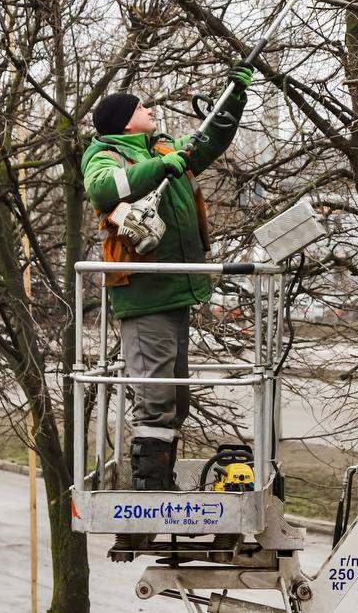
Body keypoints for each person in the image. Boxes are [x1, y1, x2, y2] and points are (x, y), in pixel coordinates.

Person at [81, 66, 252, 490]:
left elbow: (210, 141)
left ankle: (160, 479)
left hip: (174, 290)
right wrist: (162, 166)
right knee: (156, 398)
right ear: (124, 121)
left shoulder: (162, 150)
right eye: (143, 106)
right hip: (144, 294)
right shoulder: (105, 156)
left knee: (175, 397)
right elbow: (105, 190)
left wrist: (233, 99)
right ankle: (151, 487)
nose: (151, 109)